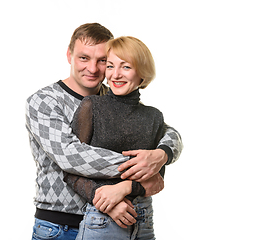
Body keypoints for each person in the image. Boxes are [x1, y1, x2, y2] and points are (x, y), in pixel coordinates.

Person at [26, 23, 183, 240]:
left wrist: (162, 154)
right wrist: (141, 172)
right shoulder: (45, 101)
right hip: (60, 225)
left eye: (102, 61)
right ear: (69, 55)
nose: (92, 68)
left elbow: (167, 132)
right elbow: (71, 156)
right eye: (84, 58)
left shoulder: (117, 96)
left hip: (118, 223)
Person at [64, 36, 168, 240]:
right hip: (103, 219)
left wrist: (126, 187)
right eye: (110, 66)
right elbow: (70, 169)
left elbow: (158, 178)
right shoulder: (92, 106)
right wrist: (106, 199)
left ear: (142, 73)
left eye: (126, 67)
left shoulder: (154, 117)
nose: (115, 74)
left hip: (144, 219)